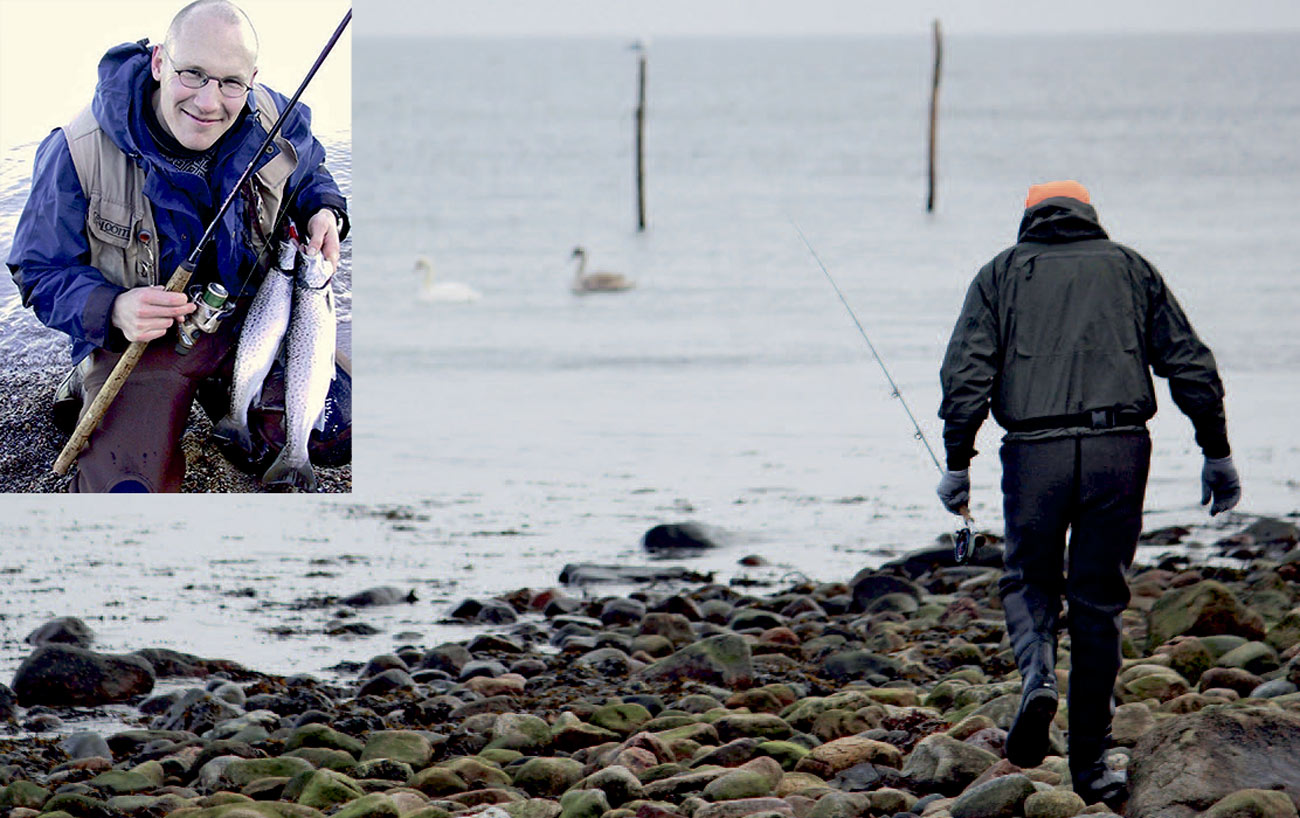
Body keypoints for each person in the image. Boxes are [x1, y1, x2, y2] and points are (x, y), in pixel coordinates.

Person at [935, 181, 1240, 805]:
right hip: (1119, 450)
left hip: (1034, 453)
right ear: (1088, 215)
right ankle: (1092, 769)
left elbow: (967, 371)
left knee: (1027, 580)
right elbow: (1189, 363)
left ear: (1029, 218)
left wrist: (957, 462)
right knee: (1100, 603)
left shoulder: (1000, 274)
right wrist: (1217, 451)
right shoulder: (1129, 268)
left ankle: (1039, 674)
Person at [6, 0, 348, 492]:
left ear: (251, 78)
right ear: (160, 62)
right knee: (128, 490)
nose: (210, 102)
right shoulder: (76, 149)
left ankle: (232, 408)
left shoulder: (274, 117)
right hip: (141, 345)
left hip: (252, 321)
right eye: (192, 74)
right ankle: (87, 379)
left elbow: (311, 171)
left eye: (231, 82)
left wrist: (324, 210)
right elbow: (38, 270)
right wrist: (113, 307)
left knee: (337, 433)